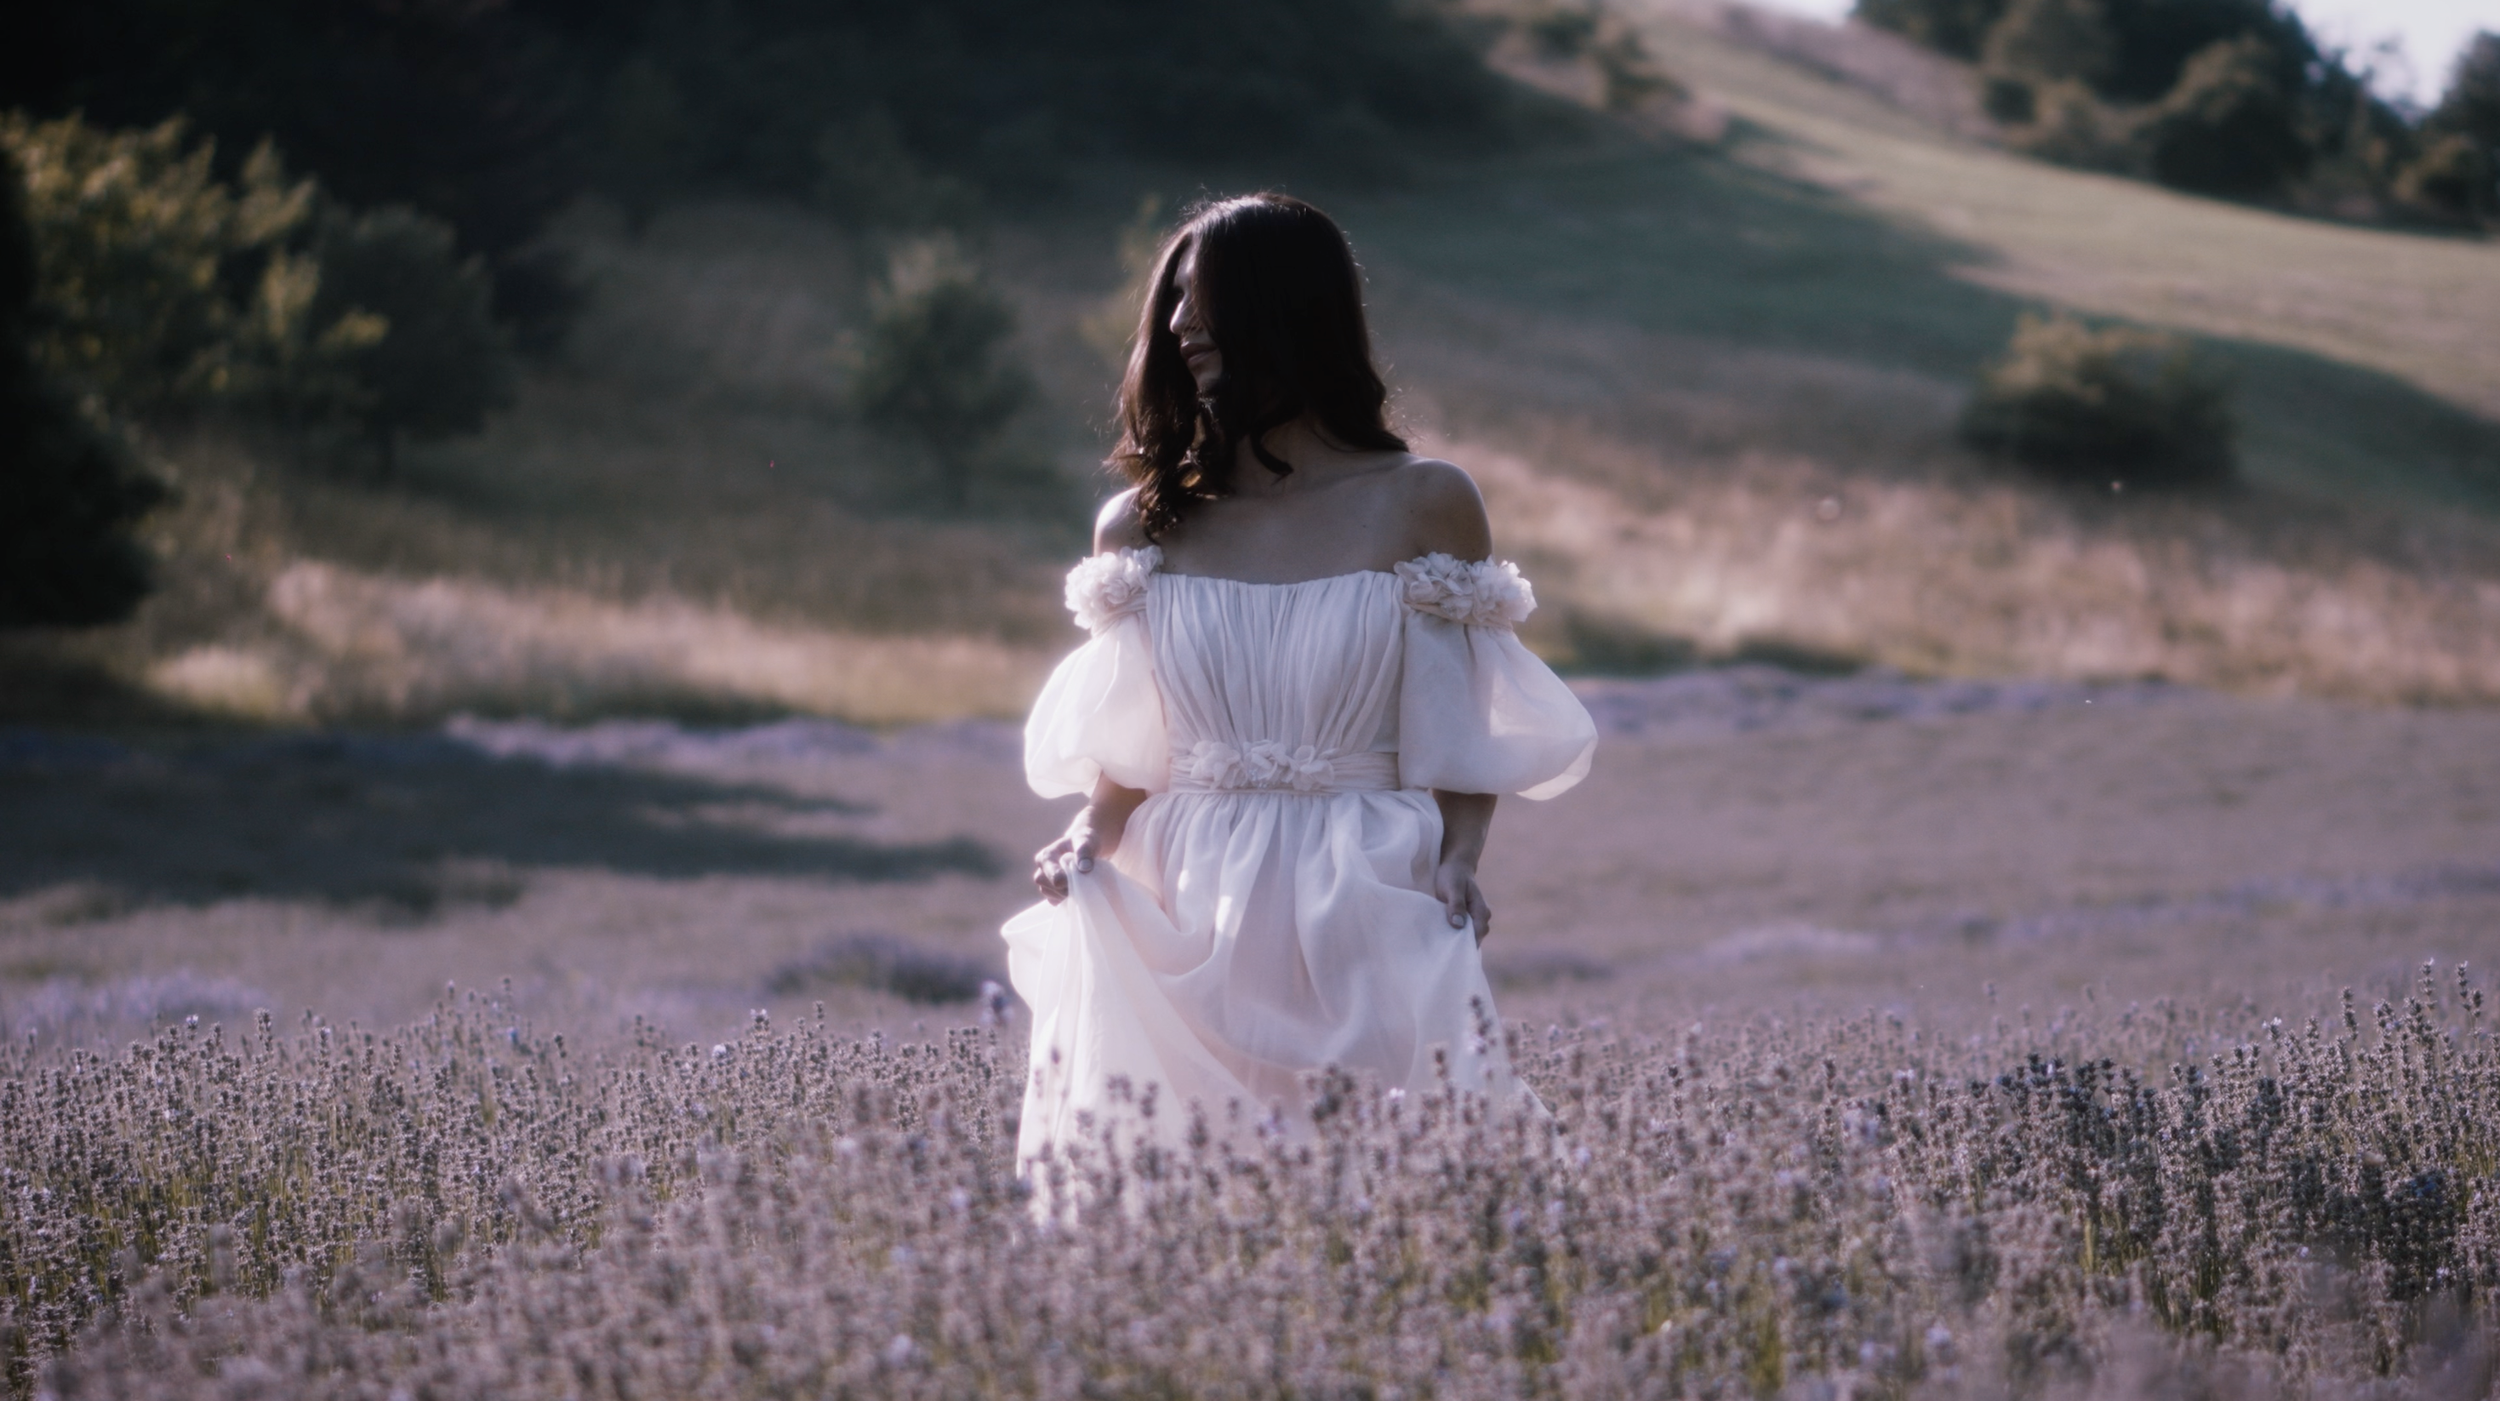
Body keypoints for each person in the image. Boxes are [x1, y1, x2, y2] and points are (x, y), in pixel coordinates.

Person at [1001, 193, 1596, 1173]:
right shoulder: (1139, 526)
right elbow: (1134, 737)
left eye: (1211, 301)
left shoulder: (1423, 502)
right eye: (1176, 302)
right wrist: (1088, 830)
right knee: (1175, 1188)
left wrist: (1459, 857)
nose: (1182, 325)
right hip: (1183, 889)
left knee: (1411, 1181)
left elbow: (1459, 717)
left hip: (1363, 879)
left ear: (1292, 312)